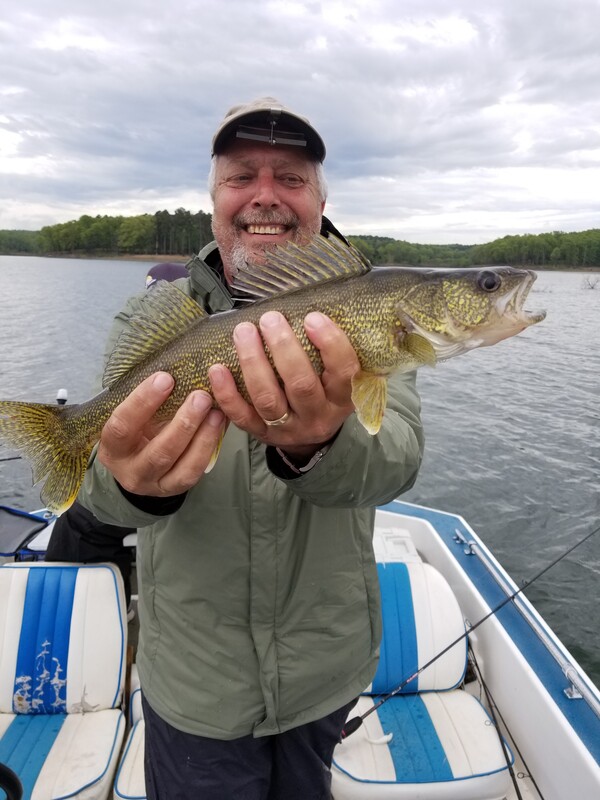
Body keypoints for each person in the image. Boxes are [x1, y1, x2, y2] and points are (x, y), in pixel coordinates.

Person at [78, 97, 424, 800]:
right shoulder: (151, 317)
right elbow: (94, 490)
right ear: (214, 200)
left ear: (320, 202)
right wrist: (135, 486)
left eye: (291, 178)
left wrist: (319, 445)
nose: (265, 196)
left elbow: (398, 458)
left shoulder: (372, 306)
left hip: (324, 673)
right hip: (197, 690)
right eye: (242, 176)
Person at [45, 262, 190, 609]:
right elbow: (99, 477)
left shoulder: (156, 309)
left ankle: (108, 610)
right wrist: (135, 488)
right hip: (173, 607)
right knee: (80, 521)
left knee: (76, 525)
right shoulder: (142, 314)